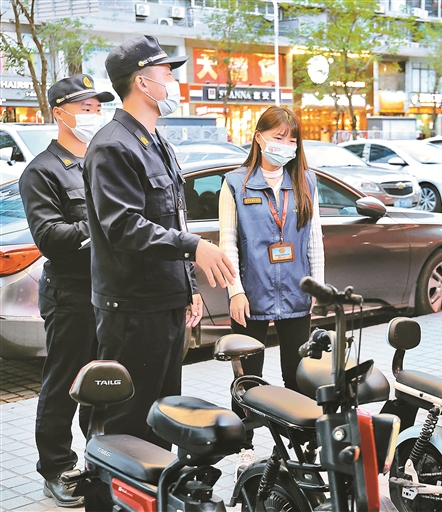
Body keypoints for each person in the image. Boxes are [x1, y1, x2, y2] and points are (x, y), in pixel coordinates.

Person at [83, 35, 235, 446]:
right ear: (141, 82)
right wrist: (194, 247)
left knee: (162, 418)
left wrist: (188, 288)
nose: (173, 82)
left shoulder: (157, 142)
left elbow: (173, 218)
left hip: (164, 304)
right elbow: (123, 225)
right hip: (134, 310)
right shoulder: (112, 146)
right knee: (130, 424)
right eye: (167, 73)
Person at [18, 74, 113, 508]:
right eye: (86, 108)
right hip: (71, 293)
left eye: (98, 108)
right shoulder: (42, 170)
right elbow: (50, 237)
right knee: (63, 383)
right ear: (60, 113)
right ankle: (56, 467)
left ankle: (101, 459)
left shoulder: (103, 161)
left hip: (111, 291)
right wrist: (105, 223)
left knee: (105, 381)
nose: (95, 115)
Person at [219, 106, 324, 470]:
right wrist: (235, 290)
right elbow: (227, 243)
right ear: (259, 138)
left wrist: (317, 288)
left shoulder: (305, 182)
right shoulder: (236, 184)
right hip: (250, 295)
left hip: (296, 293)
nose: (286, 145)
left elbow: (314, 240)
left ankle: (301, 444)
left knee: (298, 374)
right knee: (248, 378)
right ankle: (245, 447)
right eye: (279, 137)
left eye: (292, 139)